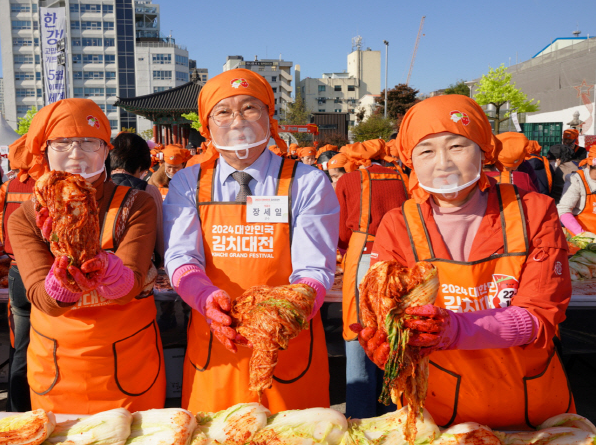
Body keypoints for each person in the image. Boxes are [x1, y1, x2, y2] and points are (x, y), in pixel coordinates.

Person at [355, 94, 573, 428]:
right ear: (410, 160)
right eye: (426, 150)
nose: (442, 162)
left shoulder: (534, 211)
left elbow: (541, 316)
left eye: (457, 146)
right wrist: (385, 341)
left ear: (484, 149)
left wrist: (457, 329)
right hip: (434, 408)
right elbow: (386, 313)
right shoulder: (398, 225)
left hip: (527, 406)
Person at [163, 69, 339, 413]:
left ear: (269, 116)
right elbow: (181, 255)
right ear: (206, 124)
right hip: (217, 345)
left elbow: (315, 266)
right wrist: (206, 298)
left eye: (250, 108)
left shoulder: (307, 182)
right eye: (223, 111)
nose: (237, 120)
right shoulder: (188, 182)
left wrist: (285, 313)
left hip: (289, 345)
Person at [7, 98, 165, 414]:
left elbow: (131, 281)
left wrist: (109, 270)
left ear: (106, 150)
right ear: (45, 151)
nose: (76, 154)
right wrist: (62, 277)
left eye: (89, 143)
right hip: (57, 364)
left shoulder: (137, 204)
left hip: (130, 361)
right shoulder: (25, 218)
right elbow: (41, 297)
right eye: (63, 143)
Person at [335, 143, 408, 419]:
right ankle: (393, 408)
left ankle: (361, 412)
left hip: (362, 249)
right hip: (400, 251)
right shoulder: (404, 177)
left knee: (359, 325)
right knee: (393, 325)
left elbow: (341, 232)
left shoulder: (348, 180)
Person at [0, 136, 36, 412]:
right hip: (43, 271)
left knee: (19, 346)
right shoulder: (51, 184)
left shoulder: (7, 186)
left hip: (16, 269)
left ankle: (17, 409)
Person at [109, 132, 164, 264]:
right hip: (137, 264)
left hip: (102, 264)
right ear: (140, 166)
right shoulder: (149, 190)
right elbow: (160, 235)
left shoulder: (98, 187)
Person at [557, 144, 596, 236]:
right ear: (588, 166)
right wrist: (581, 234)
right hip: (580, 237)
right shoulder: (577, 179)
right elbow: (563, 209)